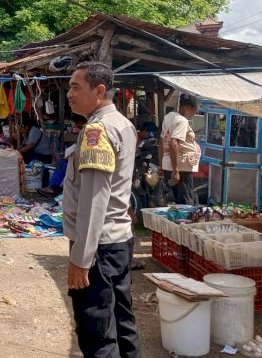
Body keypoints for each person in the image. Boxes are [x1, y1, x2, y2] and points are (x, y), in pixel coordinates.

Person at [63, 61, 140, 358]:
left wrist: (81, 258)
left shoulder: (99, 130)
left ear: (100, 90)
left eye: (75, 87)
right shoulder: (122, 123)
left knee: (97, 333)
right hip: (117, 242)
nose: (69, 93)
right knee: (122, 324)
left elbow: (95, 199)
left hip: (99, 248)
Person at [159, 94, 201, 206]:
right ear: (188, 107)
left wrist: (161, 165)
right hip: (181, 168)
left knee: (173, 203)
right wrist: (176, 171)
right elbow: (173, 143)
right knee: (185, 204)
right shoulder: (182, 121)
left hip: (169, 165)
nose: (195, 112)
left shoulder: (169, 117)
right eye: (195, 109)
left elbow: (161, 142)